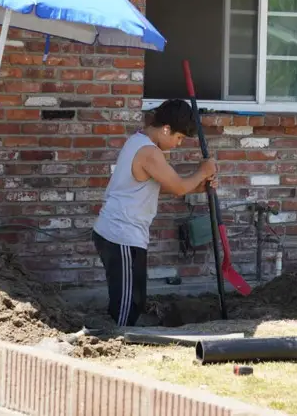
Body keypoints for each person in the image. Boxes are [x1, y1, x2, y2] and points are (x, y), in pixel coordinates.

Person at [92, 99, 217, 326]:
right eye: (178, 138)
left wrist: (201, 184)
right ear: (166, 128)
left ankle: (124, 334)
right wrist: (203, 170)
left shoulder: (141, 141)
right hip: (120, 234)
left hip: (126, 234)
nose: (178, 144)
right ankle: (118, 343)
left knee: (136, 298)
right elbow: (179, 187)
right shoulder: (149, 152)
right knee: (126, 304)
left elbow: (173, 186)